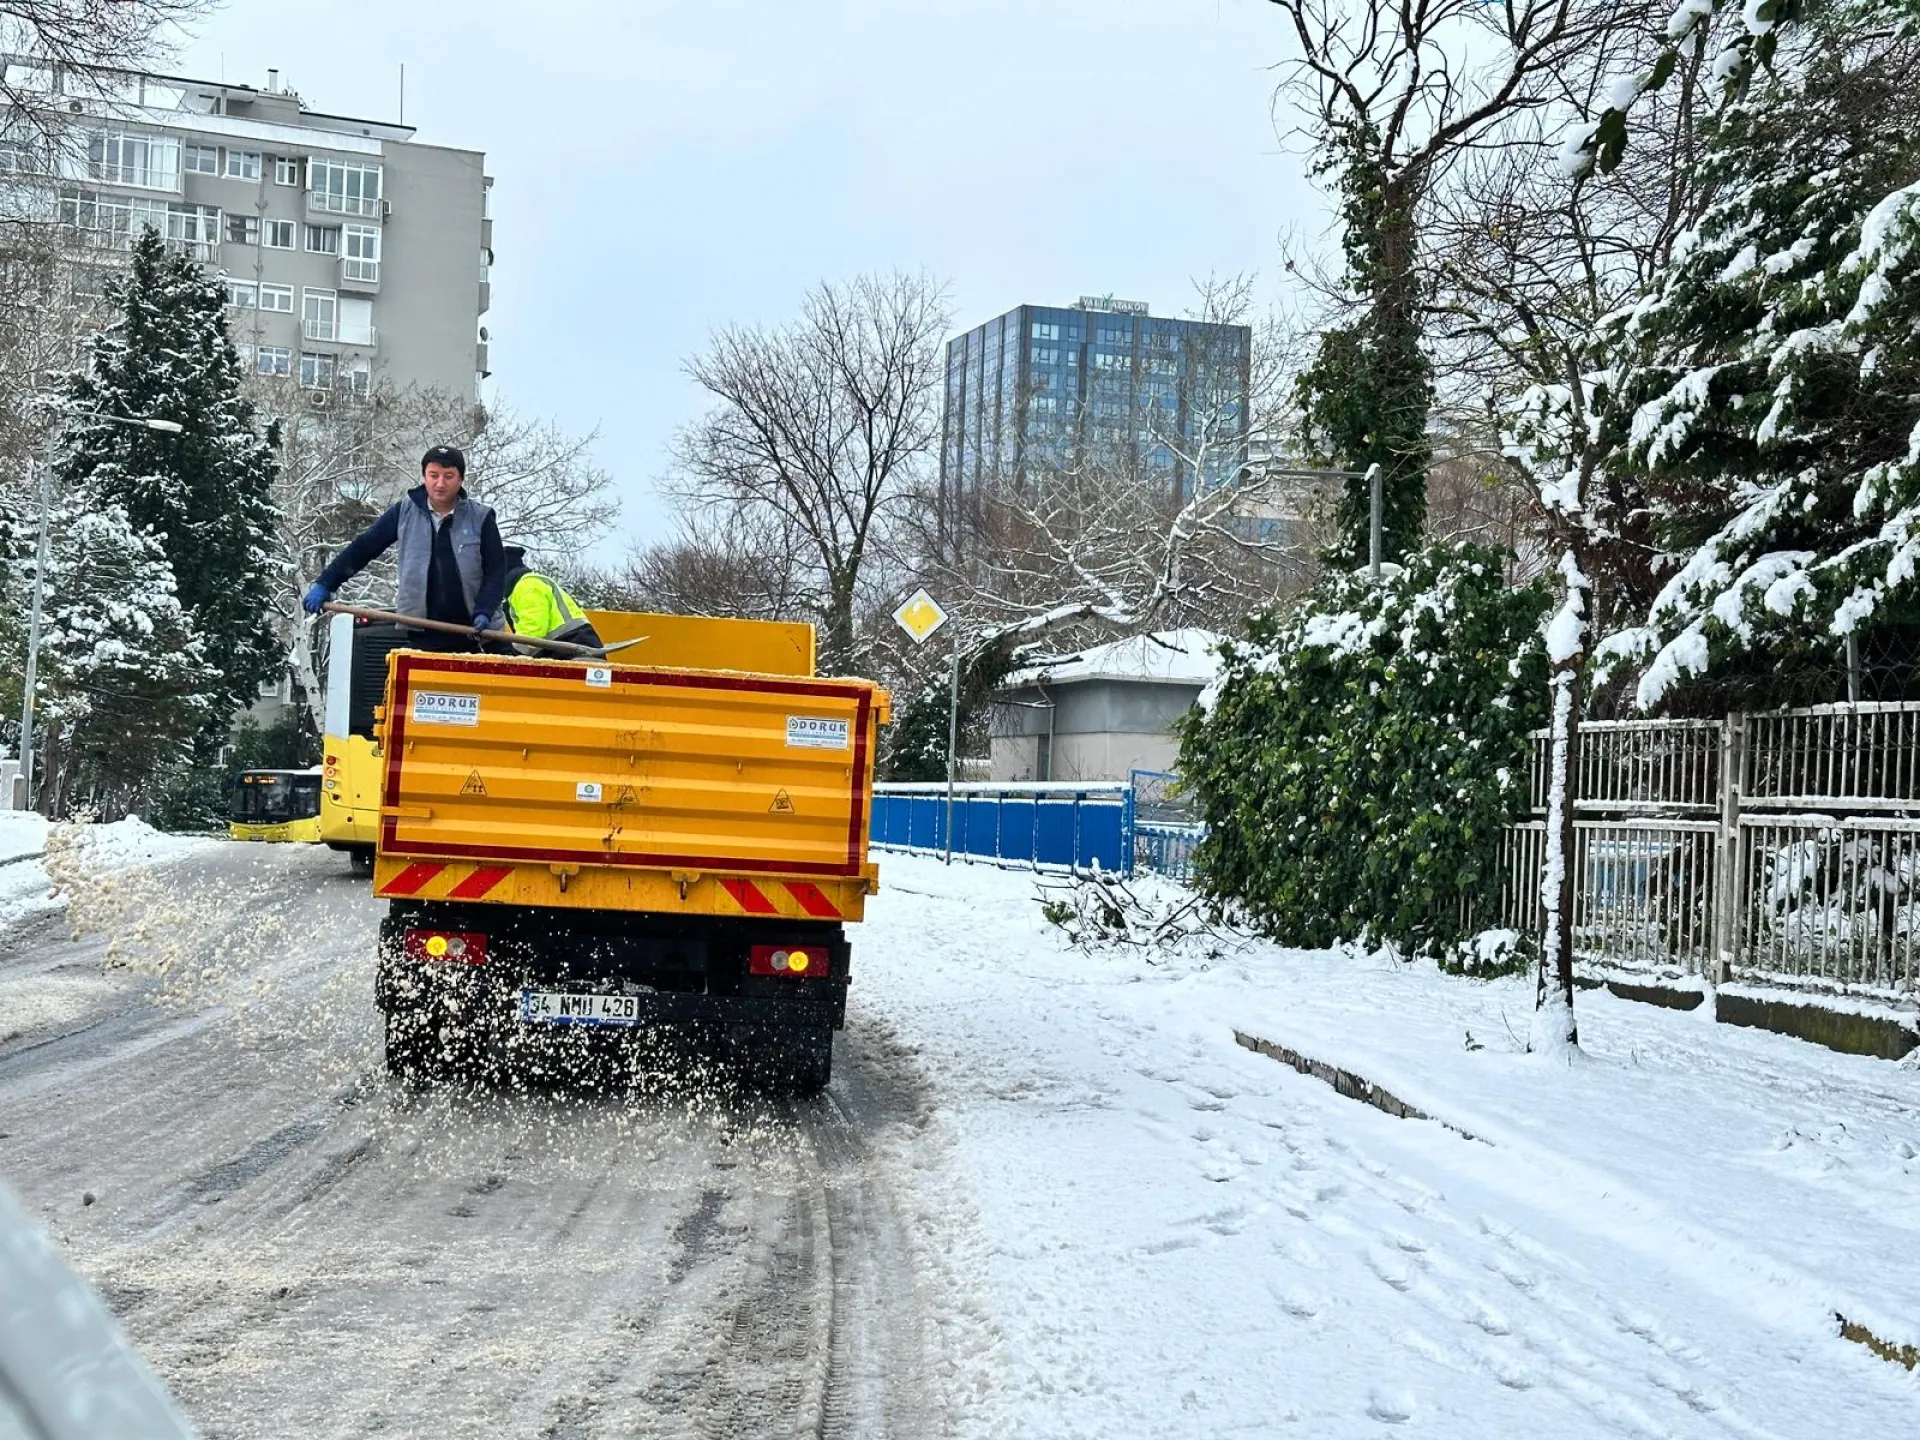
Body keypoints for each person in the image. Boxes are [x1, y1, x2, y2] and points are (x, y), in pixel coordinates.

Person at [301, 445, 506, 652]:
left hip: (479, 634)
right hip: (425, 634)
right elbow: (364, 547)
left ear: (461, 479)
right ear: (424, 476)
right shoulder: (406, 512)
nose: (440, 483)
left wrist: (484, 611)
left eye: (449, 476)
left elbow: (496, 572)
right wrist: (326, 583)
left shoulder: (481, 518)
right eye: (433, 475)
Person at [501, 545, 604, 653]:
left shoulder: (528, 586)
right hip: (566, 644)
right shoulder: (525, 585)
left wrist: (515, 654)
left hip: (573, 643)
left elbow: (533, 628)